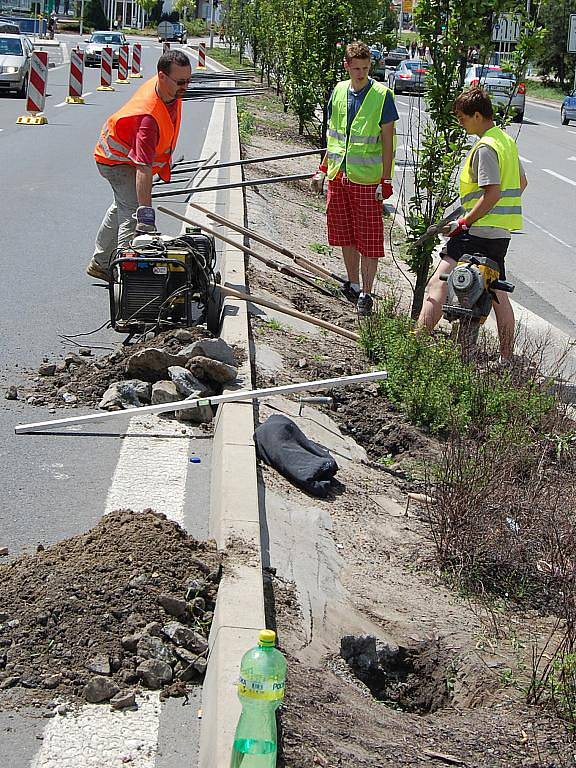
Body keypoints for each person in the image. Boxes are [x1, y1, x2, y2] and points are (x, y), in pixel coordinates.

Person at [416, 87, 527, 361]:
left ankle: (415, 346)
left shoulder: (486, 147)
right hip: (499, 234)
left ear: (477, 115)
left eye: (463, 118)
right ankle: (506, 357)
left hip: (475, 232)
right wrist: (493, 214)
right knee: (498, 292)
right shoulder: (505, 141)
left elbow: (492, 192)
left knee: (438, 283)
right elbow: (521, 183)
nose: (460, 123)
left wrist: (465, 222)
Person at [311, 40, 398, 317]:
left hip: (367, 181)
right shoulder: (338, 91)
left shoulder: (382, 96)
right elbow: (334, 137)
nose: (361, 73)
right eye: (356, 68)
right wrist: (322, 169)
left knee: (369, 239)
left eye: (365, 68)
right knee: (344, 233)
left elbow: (388, 142)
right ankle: (353, 283)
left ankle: (367, 294)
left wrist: (386, 180)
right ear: (346, 66)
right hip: (339, 175)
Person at [86, 50, 191, 281]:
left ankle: (101, 263)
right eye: (181, 82)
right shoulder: (148, 118)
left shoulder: (168, 90)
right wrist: (145, 216)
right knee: (131, 213)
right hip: (116, 160)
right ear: (162, 77)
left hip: (125, 157)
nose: (186, 86)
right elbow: (142, 167)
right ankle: (126, 278)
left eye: (188, 80)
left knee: (121, 206)